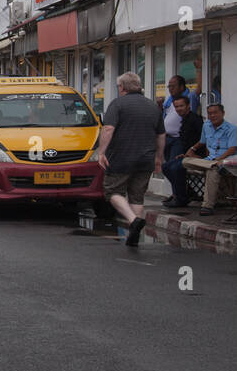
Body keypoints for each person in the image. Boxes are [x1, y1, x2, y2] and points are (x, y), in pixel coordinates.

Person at [96, 72, 165, 246]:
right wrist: (159, 157)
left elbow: (108, 129)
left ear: (122, 87)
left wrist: (101, 152)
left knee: (112, 191)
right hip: (146, 159)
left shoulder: (117, 104)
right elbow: (161, 135)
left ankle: (133, 221)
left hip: (121, 158)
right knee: (137, 196)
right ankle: (132, 233)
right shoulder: (152, 106)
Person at [178, 103, 237, 217]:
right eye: (210, 113)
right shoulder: (206, 126)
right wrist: (192, 149)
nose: (212, 115)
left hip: (224, 161)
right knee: (185, 161)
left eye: (215, 113)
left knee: (213, 171)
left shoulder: (232, 129)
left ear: (222, 113)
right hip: (210, 161)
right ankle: (213, 164)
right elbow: (202, 142)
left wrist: (219, 158)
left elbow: (232, 149)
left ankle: (207, 206)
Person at [161, 95, 204, 210]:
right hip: (187, 155)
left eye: (181, 106)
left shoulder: (195, 119)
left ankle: (181, 198)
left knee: (175, 168)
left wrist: (193, 150)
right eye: (176, 107)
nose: (179, 109)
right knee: (166, 167)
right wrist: (185, 153)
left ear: (188, 106)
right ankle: (184, 193)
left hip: (199, 155)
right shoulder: (184, 120)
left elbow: (204, 139)